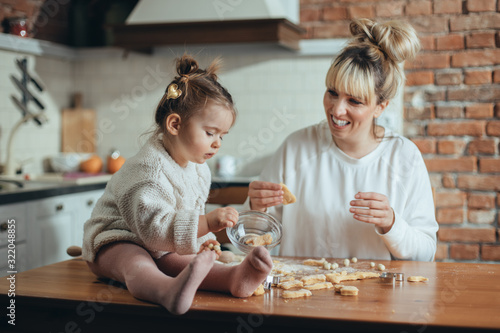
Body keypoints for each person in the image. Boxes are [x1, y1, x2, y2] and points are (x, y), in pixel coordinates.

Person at [82, 55, 273, 315]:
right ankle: (166, 291)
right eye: (210, 133)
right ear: (175, 124)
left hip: (159, 243)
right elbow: (153, 230)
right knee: (137, 263)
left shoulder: (199, 169)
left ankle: (232, 279)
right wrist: (207, 223)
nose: (217, 143)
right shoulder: (148, 170)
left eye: (222, 136)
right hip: (117, 238)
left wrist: (206, 243)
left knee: (183, 261)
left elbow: (185, 218)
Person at [246, 19, 438, 261]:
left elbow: (426, 253)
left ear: (380, 106)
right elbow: (253, 239)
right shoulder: (296, 148)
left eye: (354, 101)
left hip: (375, 297)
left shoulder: (404, 157)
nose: (336, 110)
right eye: (332, 93)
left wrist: (392, 223)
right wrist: (255, 208)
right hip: (300, 292)